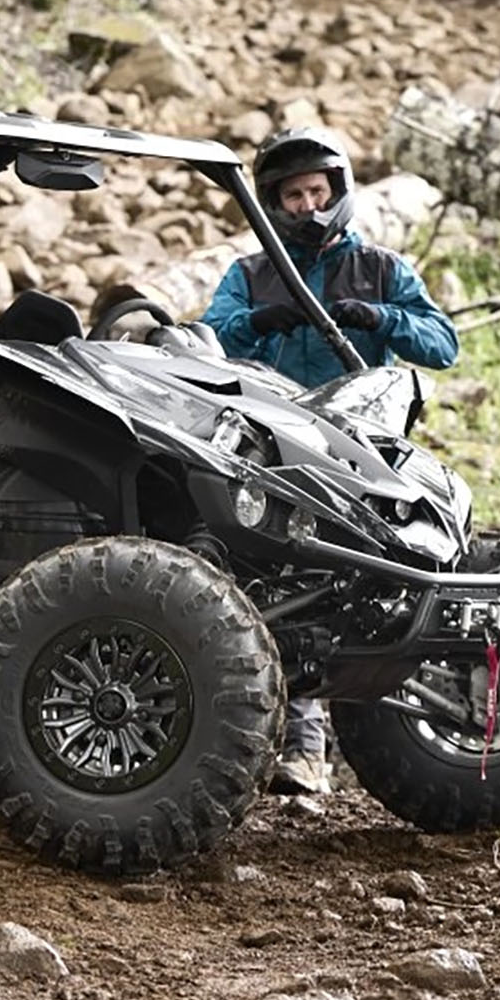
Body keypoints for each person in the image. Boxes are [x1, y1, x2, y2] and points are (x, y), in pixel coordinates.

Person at [203, 126, 459, 795]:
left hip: (359, 451)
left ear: (338, 191)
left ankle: (392, 724)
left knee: (364, 579)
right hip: (277, 448)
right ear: (273, 202)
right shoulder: (254, 272)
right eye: (292, 195)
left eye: (317, 191)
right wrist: (260, 323)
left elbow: (442, 344)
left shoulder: (380, 268)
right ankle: (299, 743)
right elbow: (207, 335)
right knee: (281, 578)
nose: (306, 206)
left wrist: (378, 317)